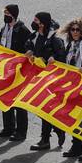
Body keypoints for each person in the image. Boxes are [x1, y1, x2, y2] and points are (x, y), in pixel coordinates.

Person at [26, 12, 67, 151]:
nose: (34, 22)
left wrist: (53, 58)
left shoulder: (55, 39)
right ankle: (57, 128)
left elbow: (63, 56)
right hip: (38, 78)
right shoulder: (36, 35)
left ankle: (45, 139)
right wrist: (30, 52)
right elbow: (30, 45)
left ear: (42, 23)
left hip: (51, 80)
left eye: (36, 20)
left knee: (45, 107)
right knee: (39, 107)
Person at [0, 4, 30, 140]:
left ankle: (21, 132)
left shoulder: (23, 30)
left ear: (13, 14)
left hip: (18, 71)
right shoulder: (4, 28)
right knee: (5, 97)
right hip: (5, 69)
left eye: (7, 13)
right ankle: (8, 128)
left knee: (18, 102)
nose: (5, 15)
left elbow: (27, 49)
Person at [60, 18, 82, 157]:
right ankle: (76, 147)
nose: (75, 32)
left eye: (77, 30)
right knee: (73, 116)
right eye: (72, 30)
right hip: (73, 85)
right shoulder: (69, 45)